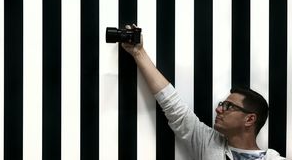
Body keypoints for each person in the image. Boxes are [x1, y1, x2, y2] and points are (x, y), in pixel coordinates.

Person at [121, 25, 286, 160]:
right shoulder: (208, 144)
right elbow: (173, 105)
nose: (218, 109)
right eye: (222, 104)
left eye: (228, 106)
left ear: (249, 119)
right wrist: (138, 53)